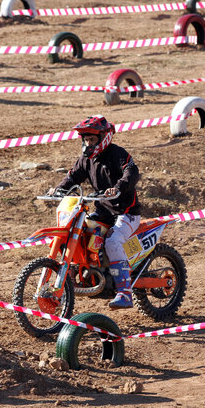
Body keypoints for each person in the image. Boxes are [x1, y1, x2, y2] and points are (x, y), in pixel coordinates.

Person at [49, 115, 141, 309]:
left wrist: (118, 187)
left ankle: (125, 293)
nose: (88, 143)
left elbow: (131, 172)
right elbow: (73, 177)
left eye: (92, 139)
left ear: (103, 137)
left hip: (126, 212)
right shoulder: (86, 159)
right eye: (86, 140)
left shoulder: (117, 153)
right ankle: (74, 278)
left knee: (113, 241)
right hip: (103, 212)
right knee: (79, 232)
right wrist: (58, 189)